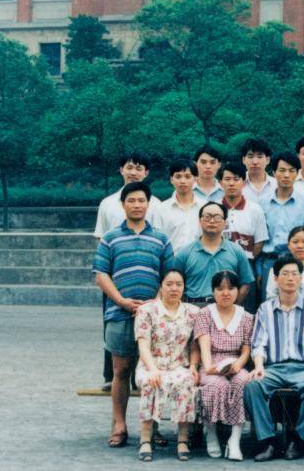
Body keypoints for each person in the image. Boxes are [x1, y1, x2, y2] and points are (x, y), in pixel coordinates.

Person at [93, 181, 174, 449]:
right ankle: (119, 425)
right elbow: (101, 274)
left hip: (154, 318)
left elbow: (170, 276)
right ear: (123, 204)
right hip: (119, 314)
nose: (137, 205)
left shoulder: (161, 238)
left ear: (148, 204)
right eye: (131, 201)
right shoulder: (110, 238)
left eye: (141, 201)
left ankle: (153, 427)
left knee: (153, 371)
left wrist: (155, 304)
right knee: (121, 370)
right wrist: (121, 301)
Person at [245, 256, 304, 461]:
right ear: (275, 279)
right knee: (252, 386)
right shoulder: (265, 308)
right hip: (274, 368)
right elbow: (259, 344)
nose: (290, 278)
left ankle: (298, 439)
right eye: (285, 274)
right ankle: (268, 441)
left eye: (294, 274)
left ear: (300, 278)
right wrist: (258, 366)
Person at [93, 151, 162, 394]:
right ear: (121, 169)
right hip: (117, 279)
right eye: (129, 167)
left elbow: (159, 239)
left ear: (147, 172)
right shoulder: (107, 203)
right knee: (113, 325)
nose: (134, 172)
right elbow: (101, 240)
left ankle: (140, 377)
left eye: (139, 168)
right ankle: (112, 375)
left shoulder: (156, 204)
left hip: (147, 278)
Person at [133, 268, 200, 462]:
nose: (174, 288)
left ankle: (182, 439)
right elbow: (143, 345)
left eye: (178, 284)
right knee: (151, 381)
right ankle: (145, 439)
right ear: (160, 287)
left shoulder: (192, 312)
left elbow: (194, 346)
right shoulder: (147, 311)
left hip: (179, 365)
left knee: (187, 381)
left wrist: (193, 366)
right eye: (169, 284)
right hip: (151, 364)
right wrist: (153, 369)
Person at [194, 270, 255, 461]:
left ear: (238, 291)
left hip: (235, 362)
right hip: (211, 363)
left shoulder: (246, 317)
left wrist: (238, 365)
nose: (226, 293)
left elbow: (246, 350)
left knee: (242, 381)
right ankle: (211, 433)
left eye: (231, 288)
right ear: (213, 291)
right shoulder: (205, 314)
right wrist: (209, 367)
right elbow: (204, 345)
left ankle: (234, 440)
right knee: (216, 385)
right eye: (220, 289)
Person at [257, 152, 304, 296]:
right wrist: (259, 269)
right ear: (274, 173)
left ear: (297, 173)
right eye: (282, 170)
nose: (286, 175)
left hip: (297, 262)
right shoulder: (262, 202)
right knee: (269, 304)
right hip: (269, 262)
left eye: (291, 171)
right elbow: (259, 238)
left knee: (298, 303)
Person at [172, 202, 254, 305]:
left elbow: (246, 283)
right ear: (200, 221)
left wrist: (232, 307)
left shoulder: (236, 251)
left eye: (217, 217)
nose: (212, 221)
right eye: (207, 217)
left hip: (225, 307)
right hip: (193, 308)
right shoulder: (184, 253)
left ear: (225, 223)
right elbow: (174, 284)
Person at [219, 161, 269, 264]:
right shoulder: (213, 208)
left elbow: (259, 242)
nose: (231, 183)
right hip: (218, 264)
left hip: (246, 265)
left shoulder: (255, 209)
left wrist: (245, 264)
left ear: (244, 182)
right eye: (227, 179)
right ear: (220, 183)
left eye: (236, 179)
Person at [156, 158, 205, 253]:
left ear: (195, 179)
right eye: (178, 177)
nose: (182, 181)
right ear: (171, 180)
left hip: (199, 259)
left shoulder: (205, 207)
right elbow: (158, 241)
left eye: (187, 177)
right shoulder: (161, 209)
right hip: (171, 259)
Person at [241, 136, 276, 205]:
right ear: (243, 160)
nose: (255, 162)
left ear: (267, 160)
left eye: (260, 157)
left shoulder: (277, 185)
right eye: (250, 156)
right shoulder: (235, 186)